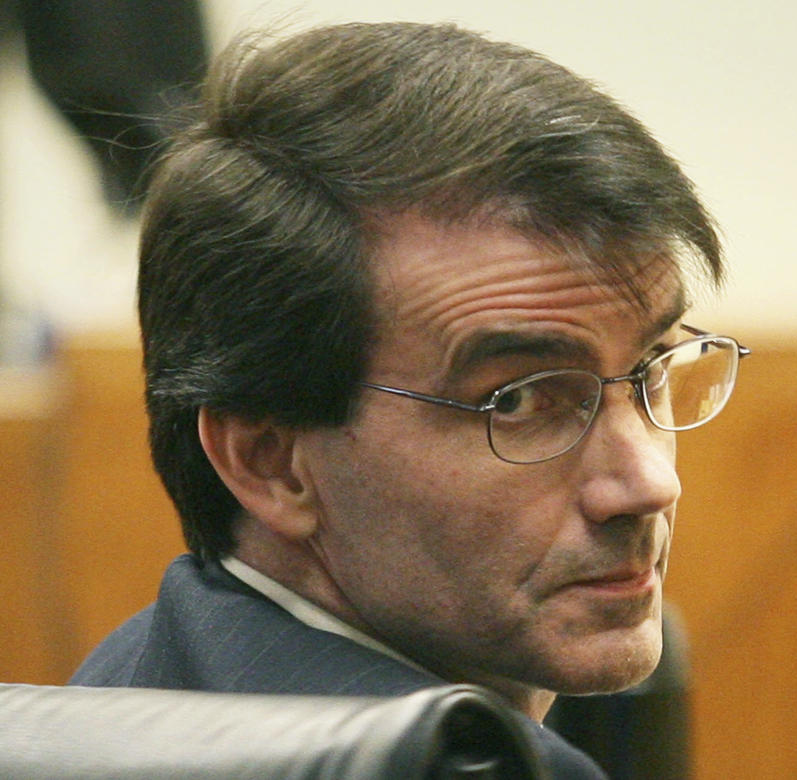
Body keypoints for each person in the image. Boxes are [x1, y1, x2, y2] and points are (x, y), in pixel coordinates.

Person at [71, 21, 748, 777]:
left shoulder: (119, 693)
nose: (649, 485)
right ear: (270, 463)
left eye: (653, 365)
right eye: (519, 401)